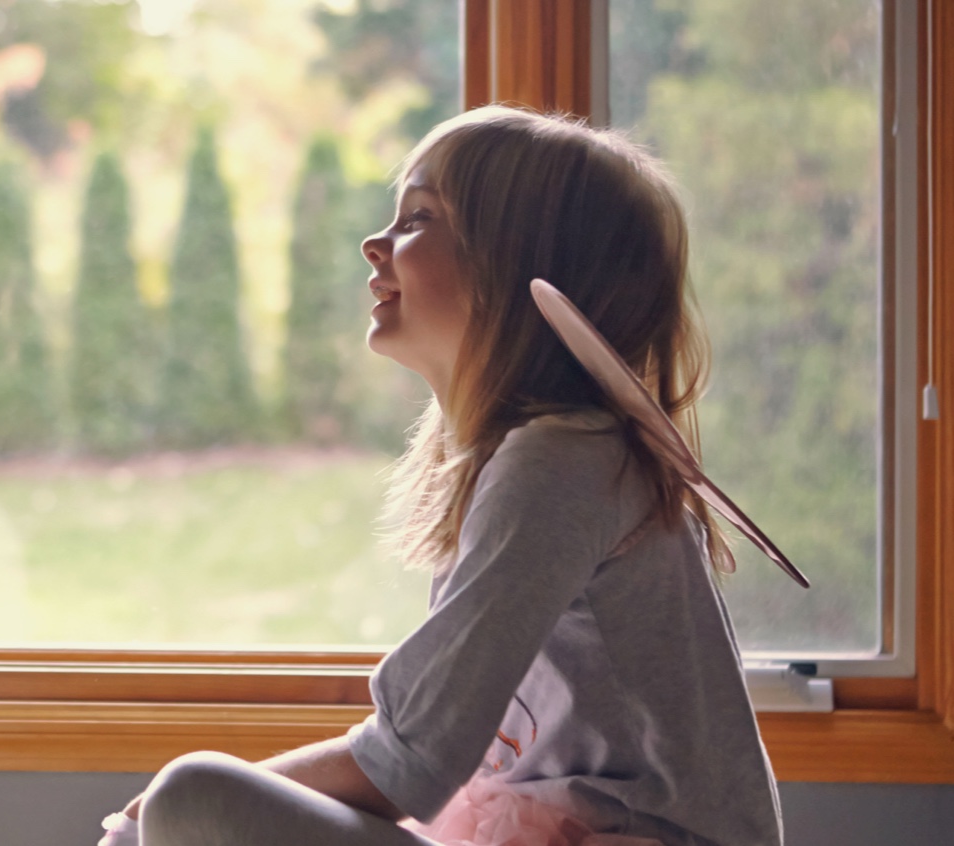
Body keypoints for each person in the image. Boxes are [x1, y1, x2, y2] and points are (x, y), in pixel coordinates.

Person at [111, 106, 782, 846]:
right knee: (191, 801)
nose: (375, 244)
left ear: (514, 265)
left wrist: (154, 819)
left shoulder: (561, 463)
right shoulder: (551, 457)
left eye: (417, 219)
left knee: (190, 795)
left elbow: (409, 763)